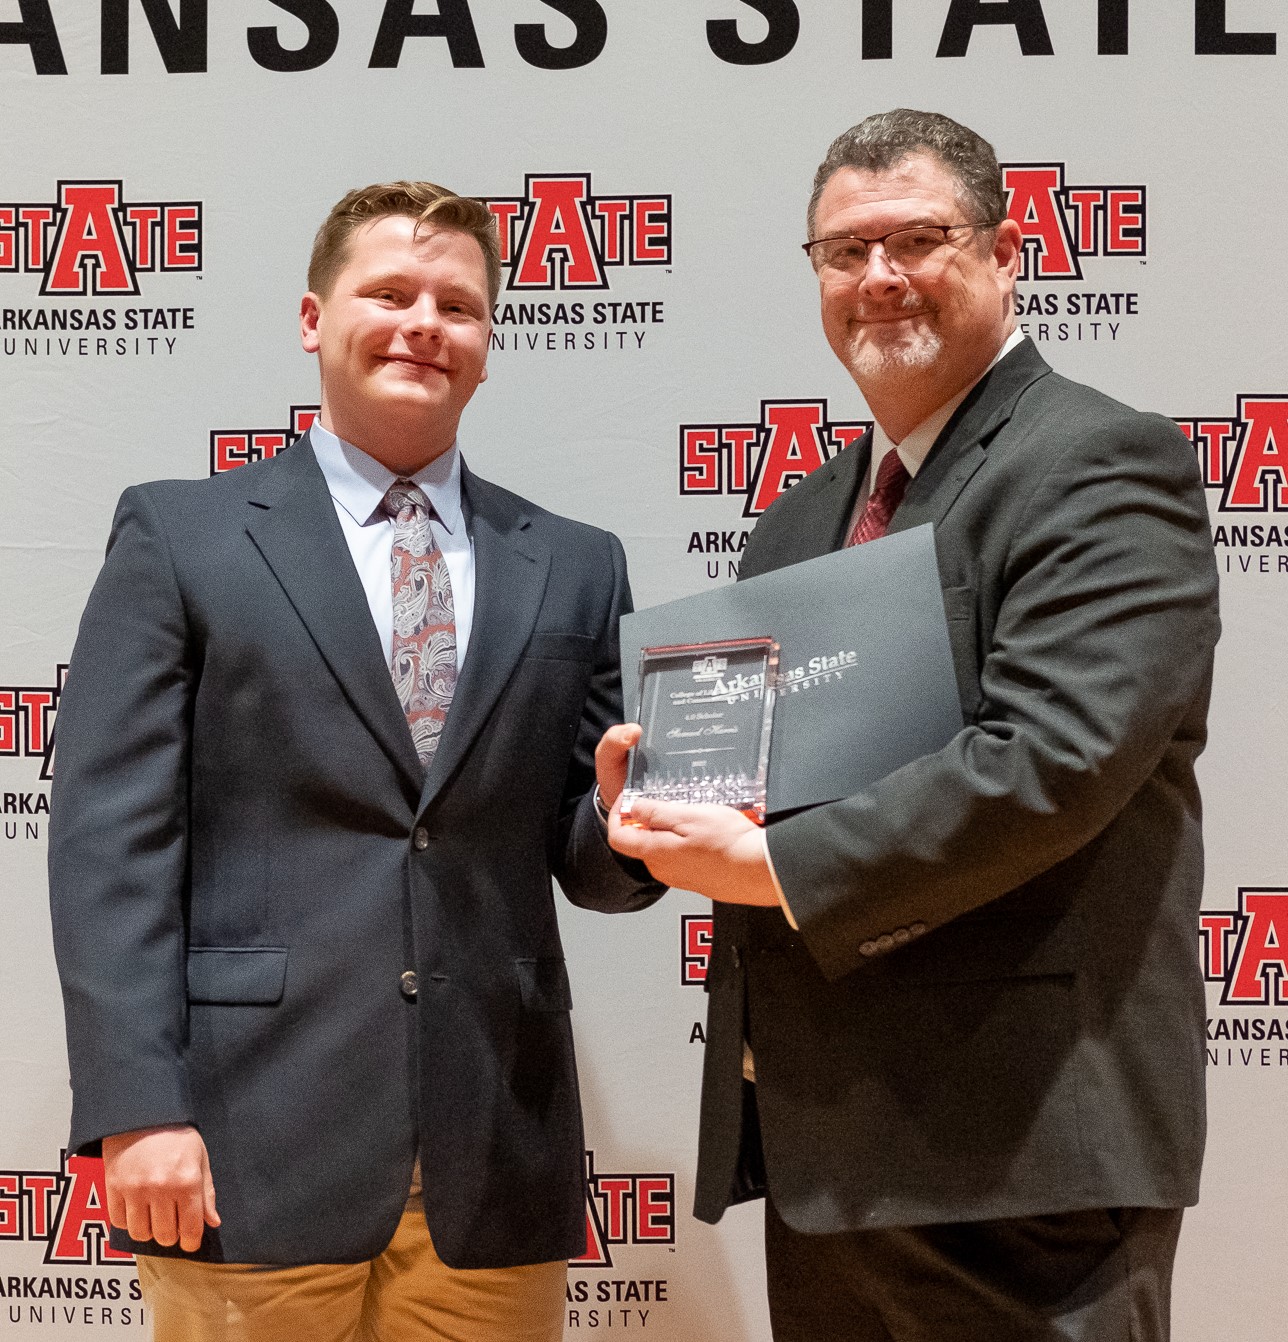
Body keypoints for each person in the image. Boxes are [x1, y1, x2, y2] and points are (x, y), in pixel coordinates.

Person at [604, 110, 1219, 1340]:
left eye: (917, 239)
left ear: (1003, 253)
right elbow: (780, 772)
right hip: (834, 1152)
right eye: (843, 252)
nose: (877, 278)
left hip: (1024, 1151)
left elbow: (1055, 759)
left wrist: (771, 860)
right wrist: (667, 788)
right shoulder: (796, 521)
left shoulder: (1099, 461)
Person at [49, 180, 662, 1342]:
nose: (423, 321)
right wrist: (136, 1109)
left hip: (495, 1158)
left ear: (488, 344)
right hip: (243, 1154)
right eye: (388, 293)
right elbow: (106, 847)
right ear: (312, 318)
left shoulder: (578, 565)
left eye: (458, 304)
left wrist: (631, 818)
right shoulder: (180, 536)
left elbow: (587, 859)